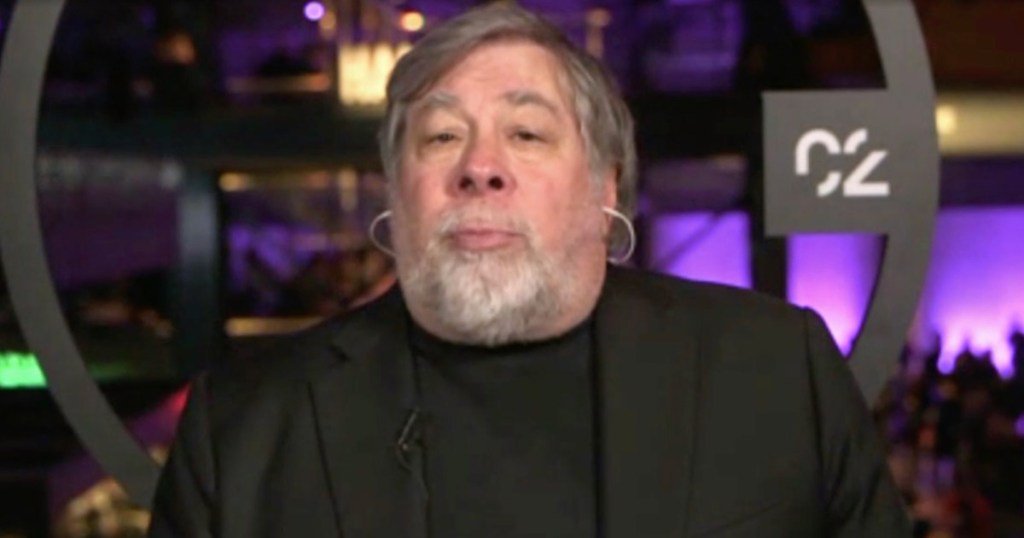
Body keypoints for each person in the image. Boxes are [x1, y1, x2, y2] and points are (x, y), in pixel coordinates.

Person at [148, 4, 911, 537]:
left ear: (605, 187)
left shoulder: (777, 370)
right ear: (394, 192)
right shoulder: (242, 429)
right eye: (441, 136)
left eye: (527, 133)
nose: (480, 167)